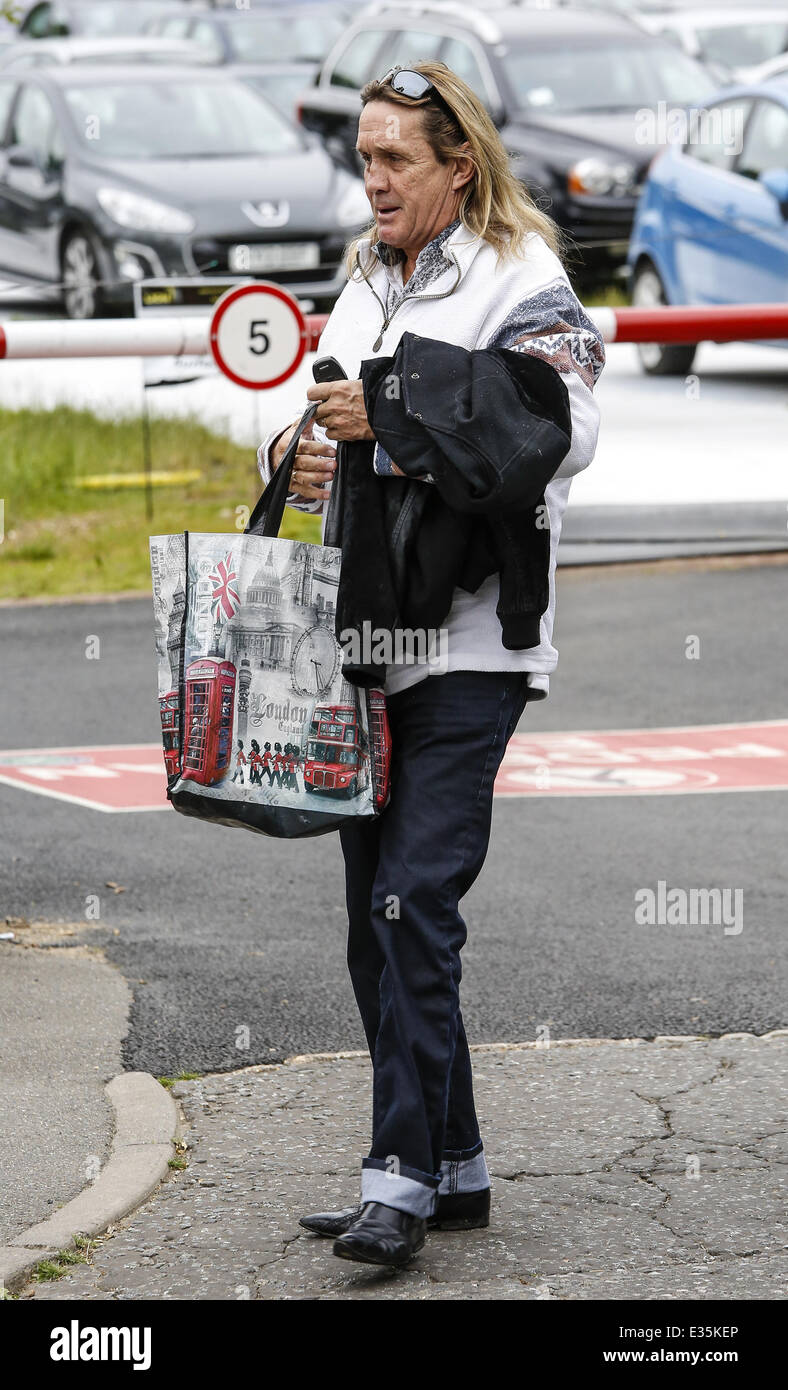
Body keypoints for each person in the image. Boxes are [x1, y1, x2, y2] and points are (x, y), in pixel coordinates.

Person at [257, 62, 605, 1269]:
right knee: (375, 914)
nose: (373, 178)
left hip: (468, 646)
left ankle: (394, 1178)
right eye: (363, 156)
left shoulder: (524, 277)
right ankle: (453, 1167)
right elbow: (326, 419)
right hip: (364, 643)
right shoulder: (364, 274)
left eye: (395, 158)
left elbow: (563, 431)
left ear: (459, 165)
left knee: (415, 901)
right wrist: (300, 452)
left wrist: (392, 422)